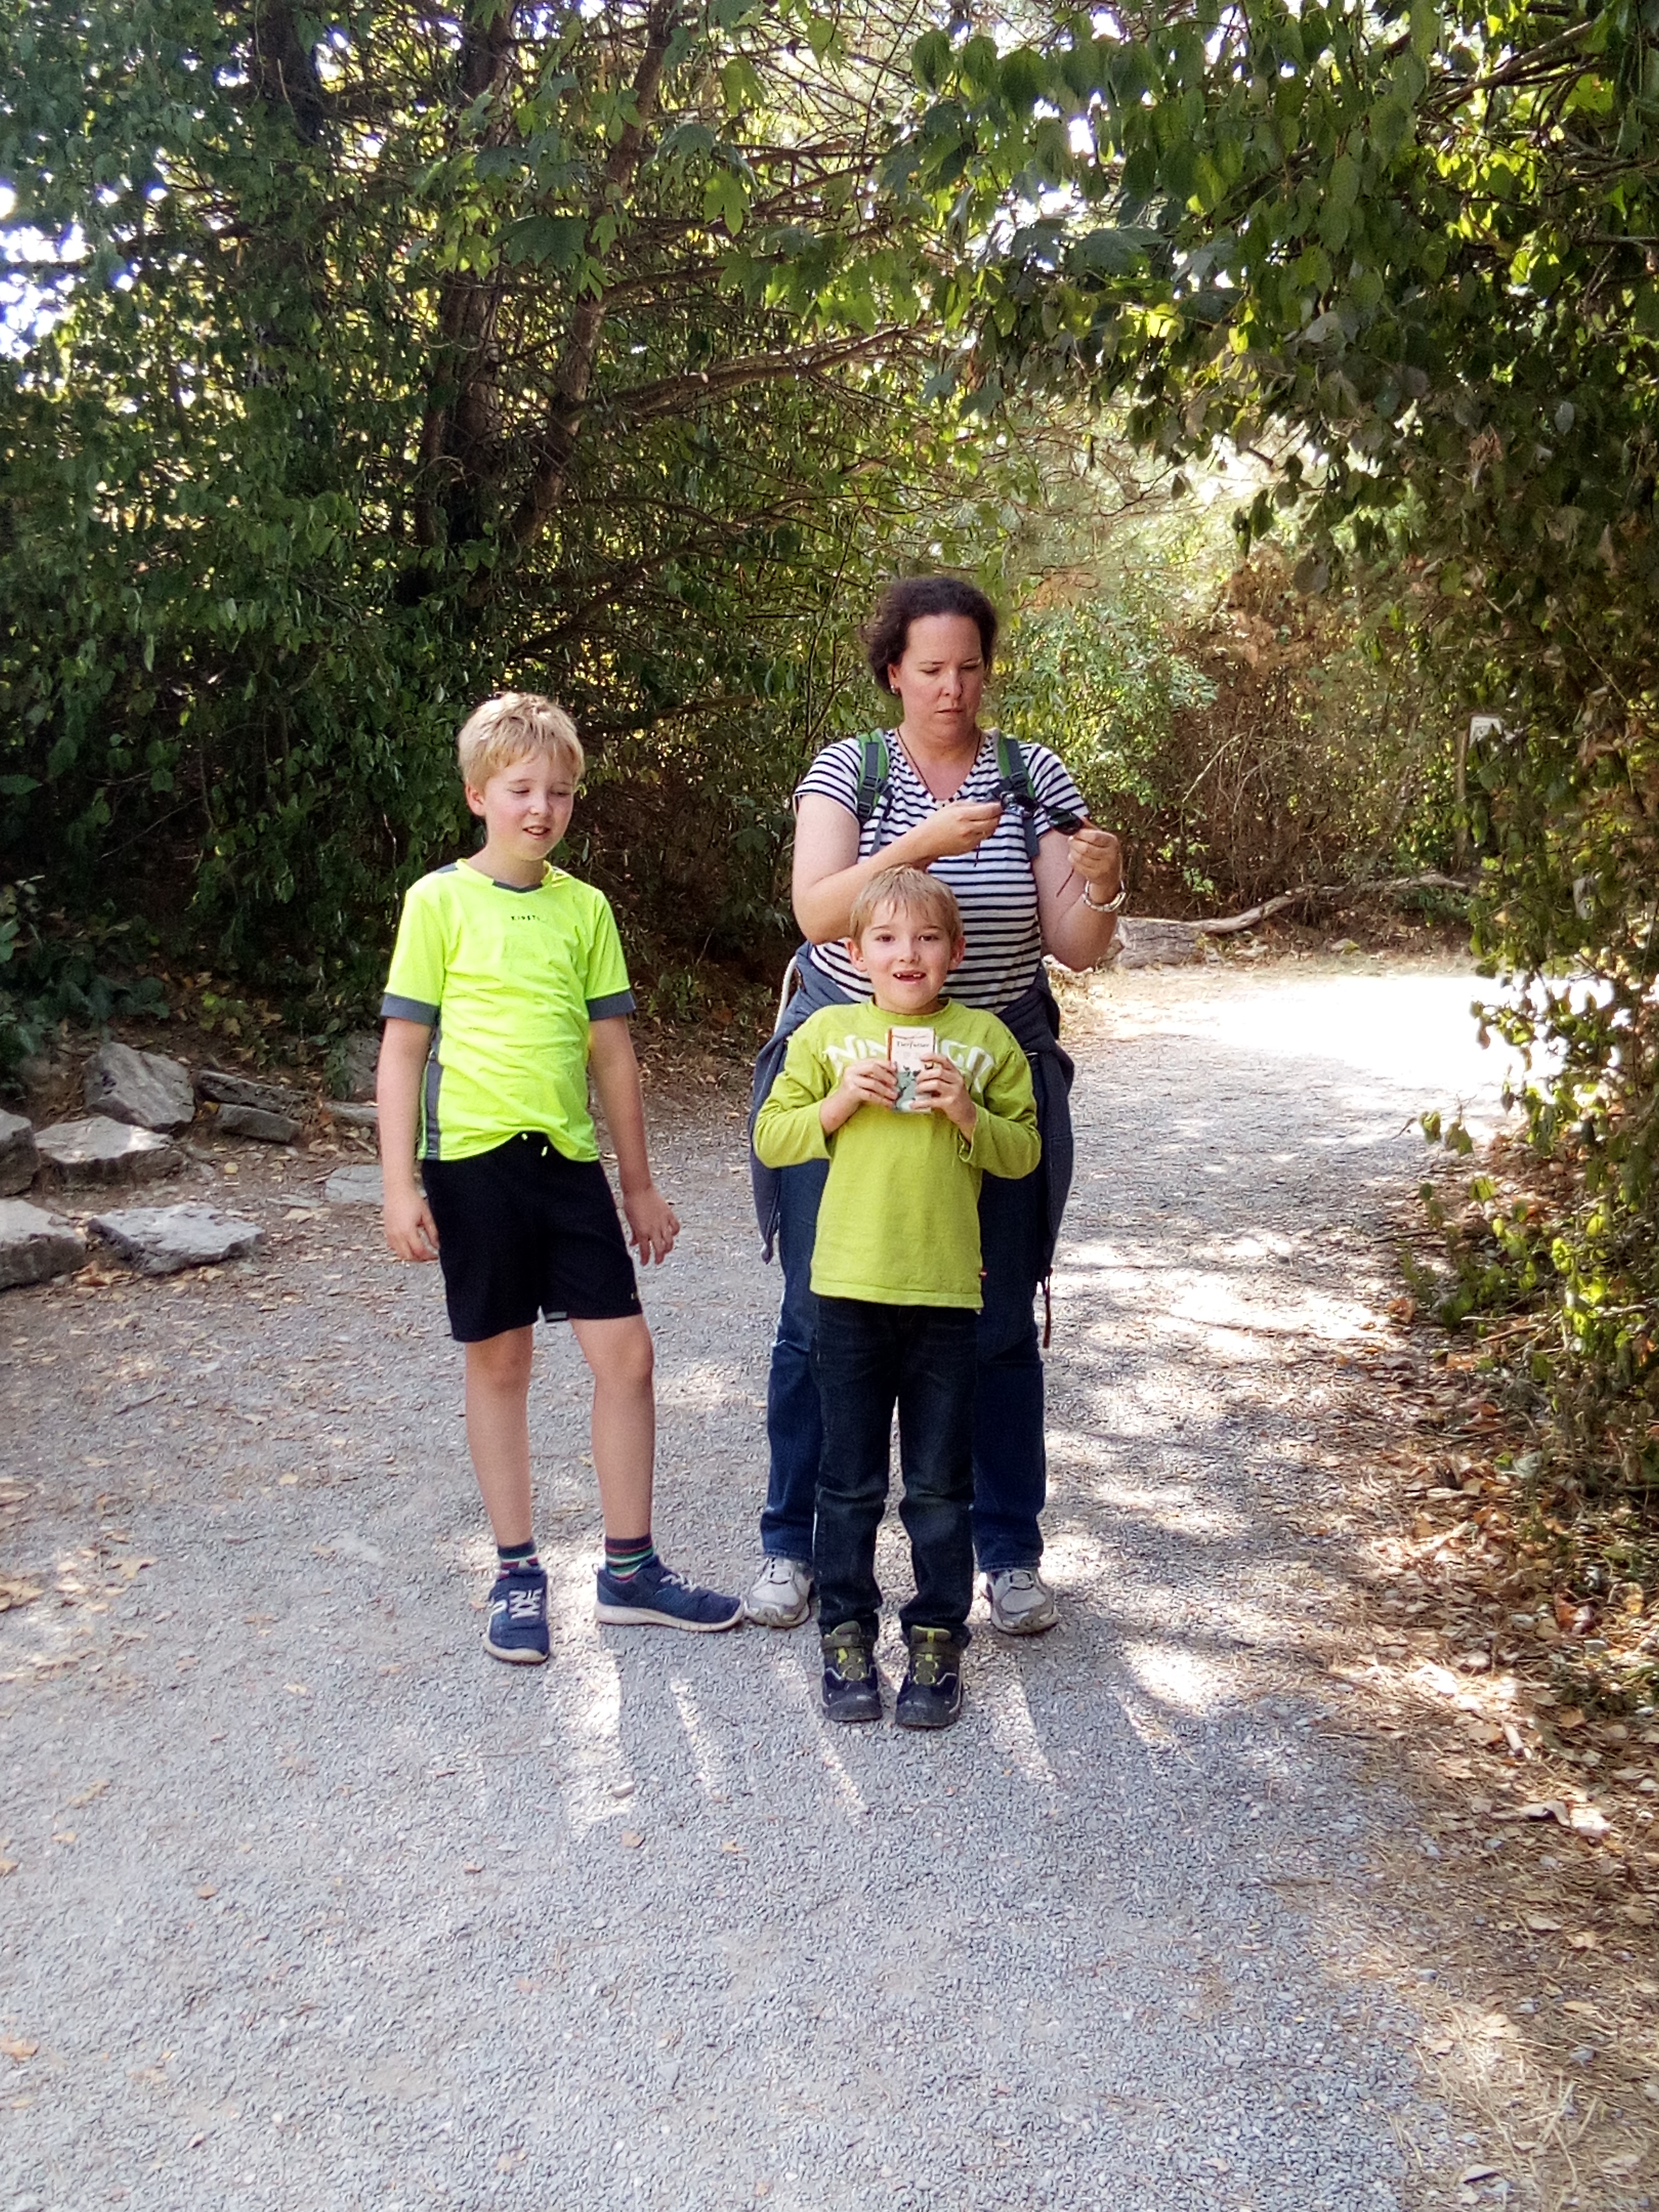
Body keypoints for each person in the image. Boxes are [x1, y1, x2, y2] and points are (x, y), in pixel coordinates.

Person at [745, 575, 1125, 1638]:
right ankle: (793, 1545)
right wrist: (920, 845)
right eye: (930, 669)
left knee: (995, 1321)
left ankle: (1008, 1554)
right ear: (893, 673)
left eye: (968, 668)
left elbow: (1076, 945)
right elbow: (817, 911)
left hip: (990, 1068)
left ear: (987, 671)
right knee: (819, 1315)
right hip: (849, 1068)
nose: (952, 688)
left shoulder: (1030, 775)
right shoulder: (852, 771)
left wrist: (1104, 882)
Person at [376, 692, 741, 1664]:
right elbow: (404, 1050)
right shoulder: (437, 902)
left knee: (628, 1357)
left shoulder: (587, 909)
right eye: (521, 790)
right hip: (473, 1164)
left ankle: (630, 1571)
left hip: (569, 1163)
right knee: (500, 1364)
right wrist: (400, 1185)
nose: (541, 808)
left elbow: (612, 1051)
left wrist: (639, 1182)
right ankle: (515, 1573)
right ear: (478, 795)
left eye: (561, 793)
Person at [753, 866, 1040, 1727]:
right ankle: (845, 1633)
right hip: (847, 1291)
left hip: (947, 1295)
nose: (906, 955)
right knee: (848, 1482)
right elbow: (771, 1137)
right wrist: (838, 1104)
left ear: (956, 952)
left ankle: (937, 1639)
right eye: (885, 939)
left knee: (938, 1487)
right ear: (855, 952)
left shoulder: (985, 1040)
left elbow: (1024, 1153)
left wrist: (969, 1117)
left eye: (925, 939)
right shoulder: (829, 1035)